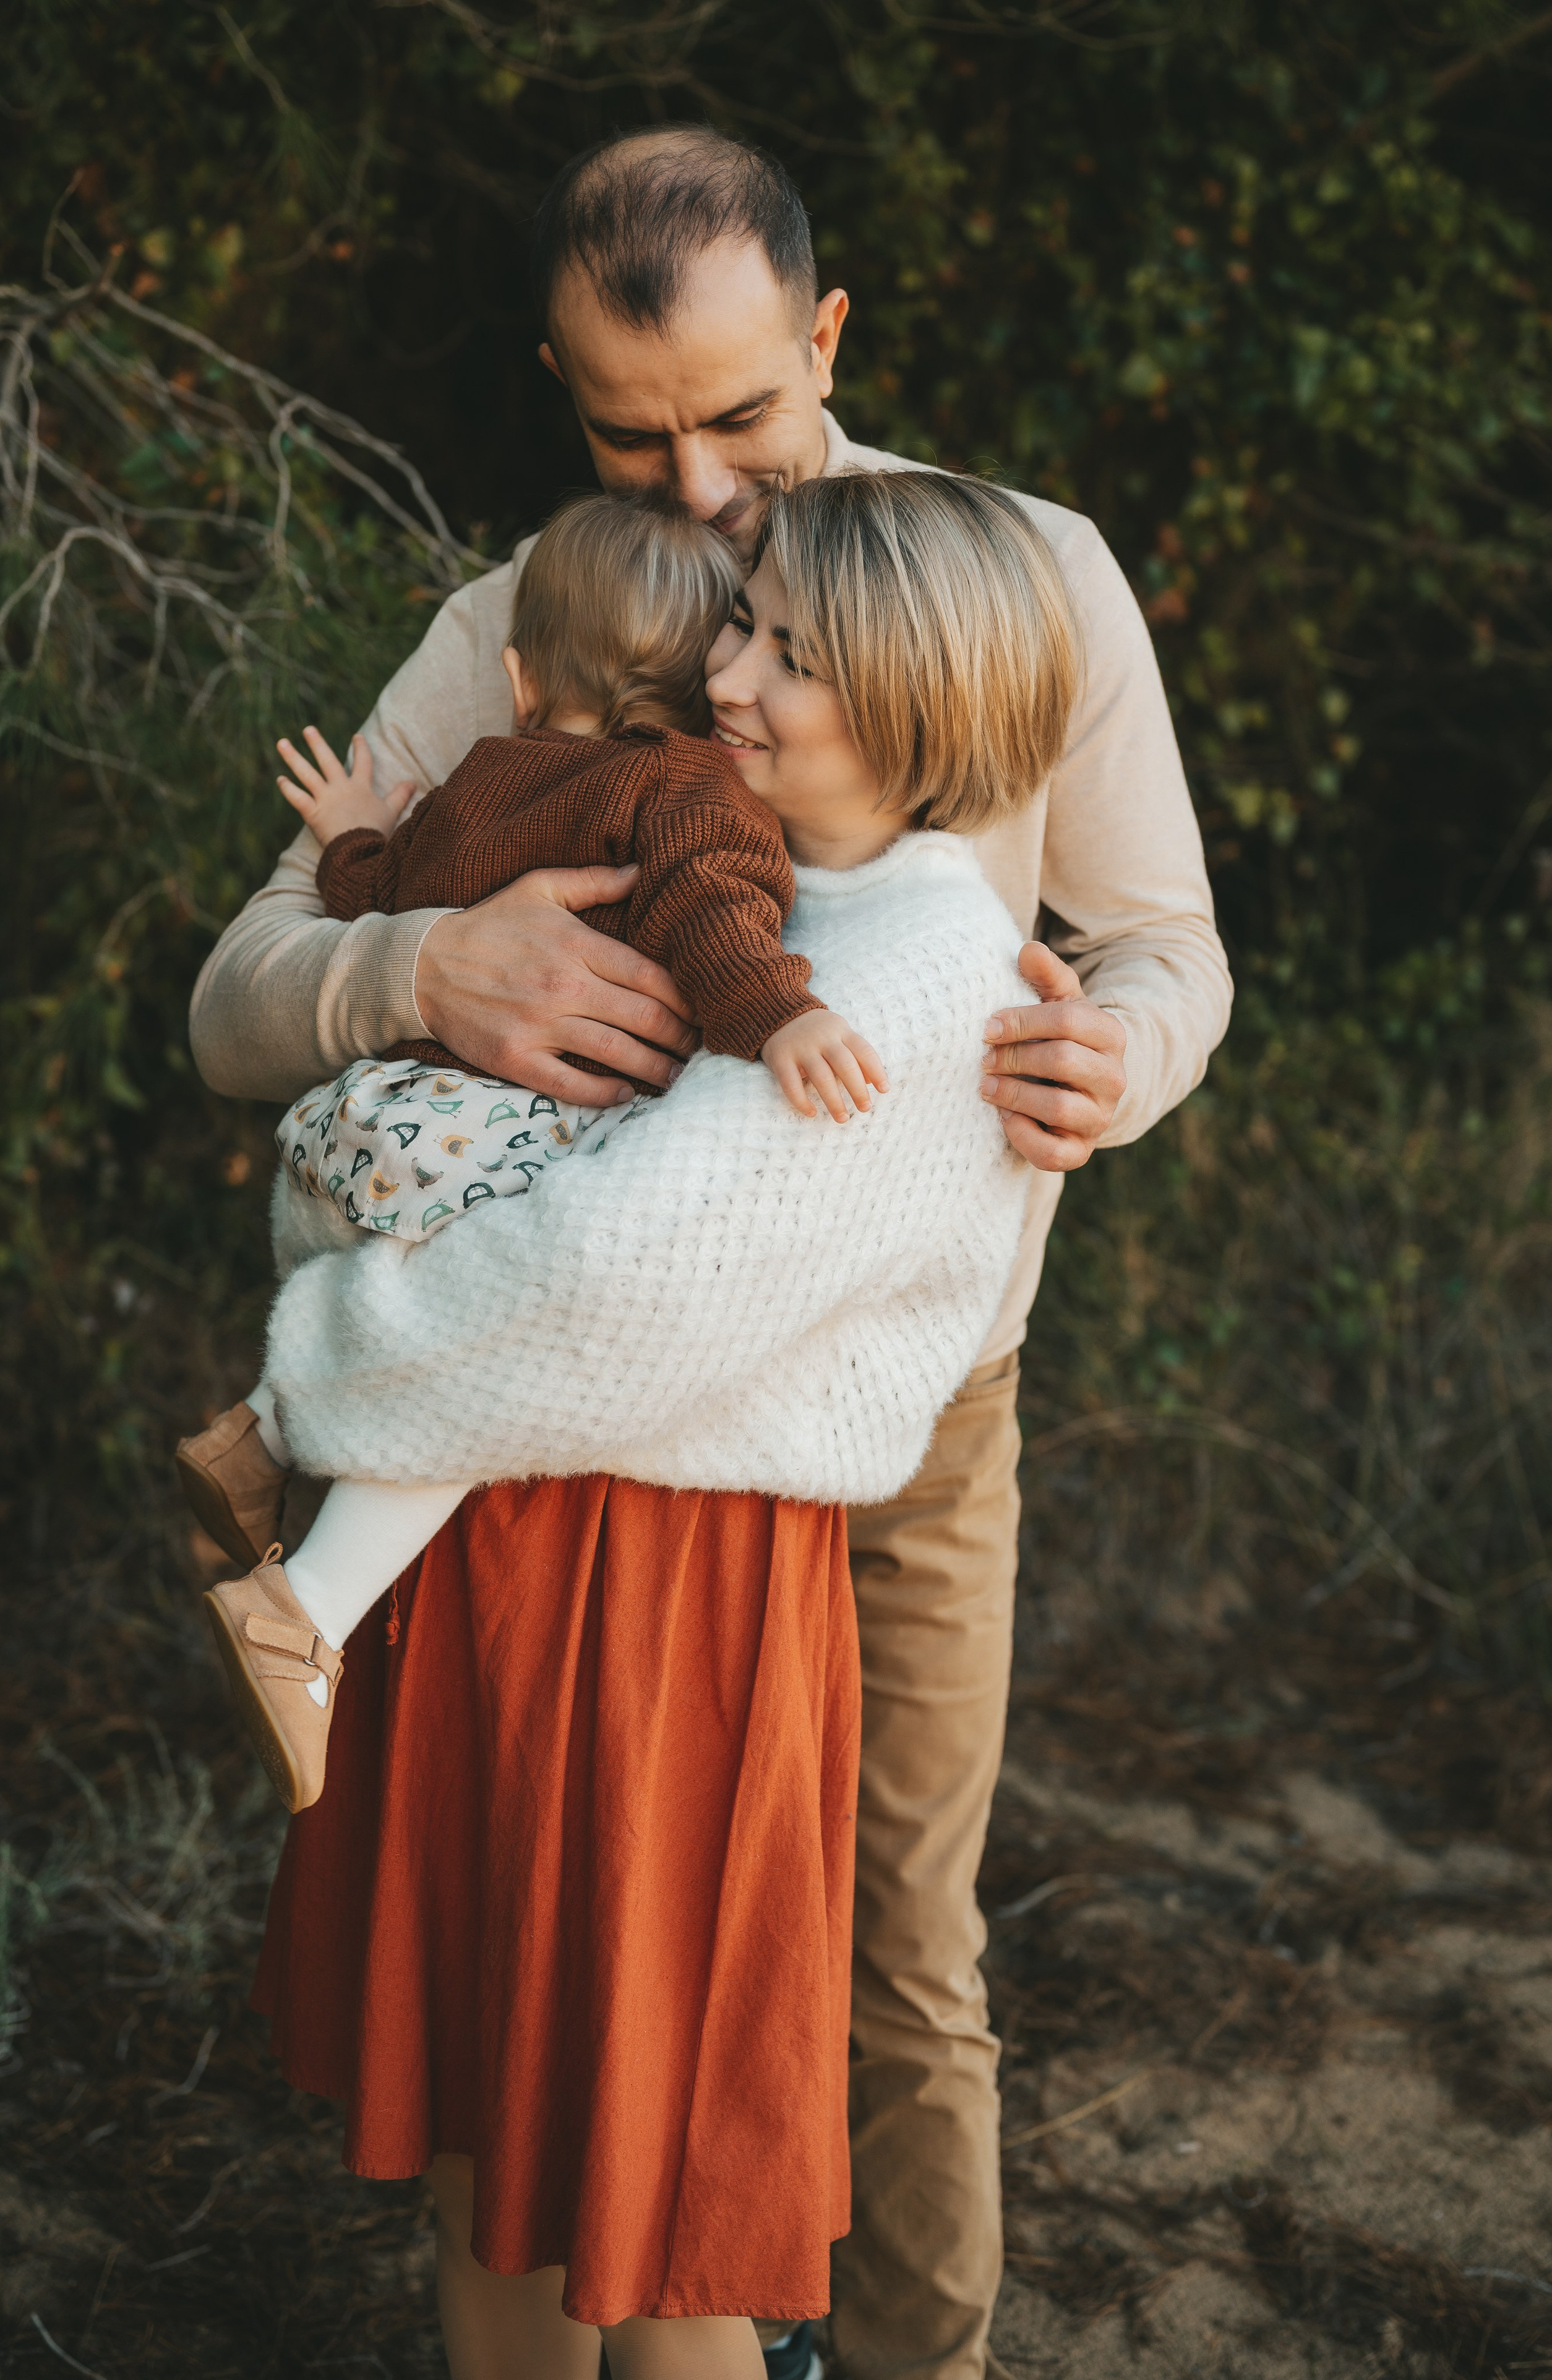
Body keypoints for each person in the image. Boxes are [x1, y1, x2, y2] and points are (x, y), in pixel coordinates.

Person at [189, 127, 1232, 2380]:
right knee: (577, 1949)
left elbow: (1165, 938)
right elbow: (244, 980)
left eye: (742, 421)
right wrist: (424, 965)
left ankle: (905, 2359)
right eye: (625, 431)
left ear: (827, 337)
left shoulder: (1010, 571)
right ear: (561, 392)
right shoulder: (527, 615)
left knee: (890, 1951)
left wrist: (1119, 1056)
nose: (691, 491)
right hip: (585, 1428)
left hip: (906, 1400)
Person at [247, 468, 1078, 2378]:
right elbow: (431, 1114)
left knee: (667, 2174)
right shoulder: (732, 867)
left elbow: (594, 1287)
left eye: (791, 653)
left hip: (667, 1615)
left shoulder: (918, 975)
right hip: (513, 1557)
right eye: (742, 623)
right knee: (493, 2141)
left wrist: (315, 1347)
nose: (728, 674)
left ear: (924, 708)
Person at [175, 492, 893, 1812]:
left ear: (517, 675)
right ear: (704, 692)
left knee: (397, 1310)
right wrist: (781, 1014)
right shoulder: (684, 784)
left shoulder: (475, 777)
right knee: (486, 1361)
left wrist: (346, 830)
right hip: (487, 1139)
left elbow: (376, 891)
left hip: (369, 1120)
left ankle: (256, 1437)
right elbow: (711, 915)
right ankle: (304, 1616)